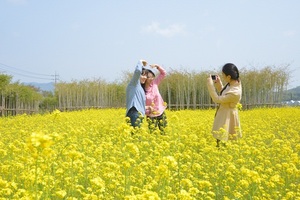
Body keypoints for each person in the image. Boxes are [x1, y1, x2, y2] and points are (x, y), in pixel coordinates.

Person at [206, 63, 242, 147]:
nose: (222, 76)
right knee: (220, 141)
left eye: (223, 75)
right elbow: (225, 94)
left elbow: (217, 99)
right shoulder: (233, 83)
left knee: (223, 142)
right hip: (223, 115)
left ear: (229, 77)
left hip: (227, 118)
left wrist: (210, 86)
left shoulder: (235, 92)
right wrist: (218, 84)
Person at [142, 64, 167, 134]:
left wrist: (157, 66)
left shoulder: (155, 84)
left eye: (153, 76)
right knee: (152, 134)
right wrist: (147, 112)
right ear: (145, 78)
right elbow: (140, 105)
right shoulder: (141, 91)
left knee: (164, 132)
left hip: (160, 112)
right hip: (150, 115)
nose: (152, 78)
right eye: (150, 77)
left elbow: (163, 73)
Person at [126, 60, 148, 128]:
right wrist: (140, 62)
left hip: (138, 114)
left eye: (146, 76)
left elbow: (138, 104)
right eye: (143, 75)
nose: (145, 77)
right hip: (134, 114)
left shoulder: (140, 88)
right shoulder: (135, 83)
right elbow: (138, 71)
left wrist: (148, 108)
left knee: (135, 136)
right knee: (135, 135)